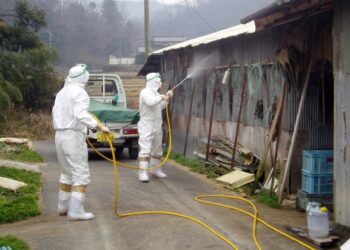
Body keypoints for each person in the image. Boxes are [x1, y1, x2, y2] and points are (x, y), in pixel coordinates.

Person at [52, 64, 110, 220]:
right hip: (73, 136)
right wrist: (98, 126)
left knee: (66, 173)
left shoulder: (62, 93)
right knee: (81, 174)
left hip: (59, 136)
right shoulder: (80, 93)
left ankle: (63, 206)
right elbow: (80, 114)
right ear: (84, 77)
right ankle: (76, 211)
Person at [137, 72, 173, 182]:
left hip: (157, 123)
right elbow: (151, 102)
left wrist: (166, 99)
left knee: (157, 148)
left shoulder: (156, 94)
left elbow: (159, 107)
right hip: (147, 124)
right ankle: (143, 172)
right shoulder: (145, 92)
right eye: (158, 81)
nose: (160, 83)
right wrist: (162, 97)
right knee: (146, 148)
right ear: (152, 82)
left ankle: (155, 169)